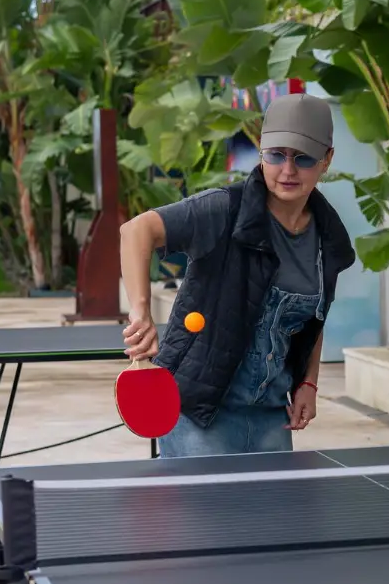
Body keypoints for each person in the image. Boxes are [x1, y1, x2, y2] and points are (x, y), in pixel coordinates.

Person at [119, 92, 356, 457]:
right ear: (261, 151)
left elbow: (310, 320)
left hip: (271, 419)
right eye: (276, 155)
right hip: (200, 416)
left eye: (303, 158)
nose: (288, 170)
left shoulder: (329, 238)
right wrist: (141, 312)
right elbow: (136, 230)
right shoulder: (222, 210)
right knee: (204, 516)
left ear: (327, 160)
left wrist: (308, 381)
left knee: (274, 516)